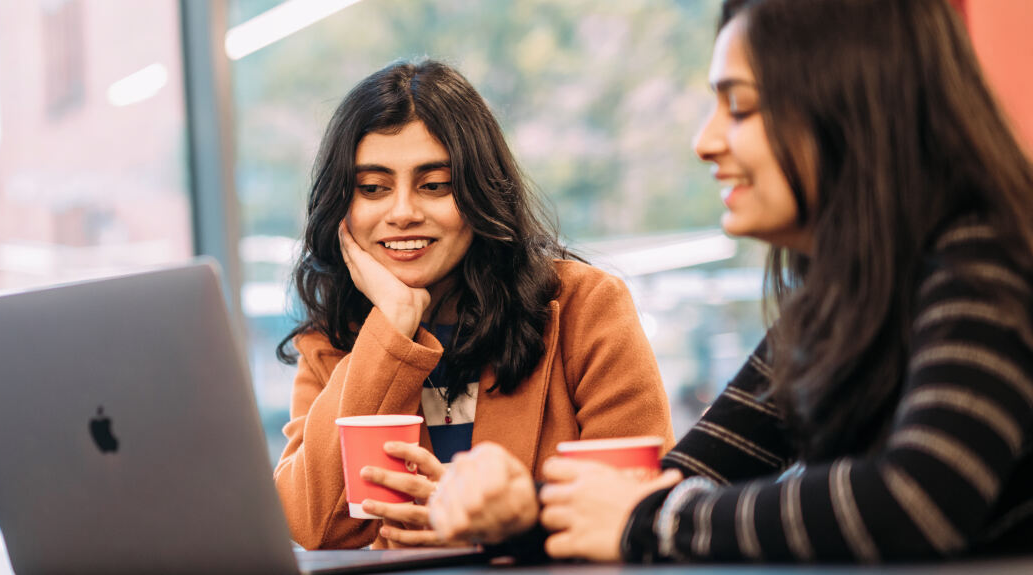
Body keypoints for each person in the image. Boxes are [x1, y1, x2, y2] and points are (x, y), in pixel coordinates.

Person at [428, 0, 1033, 563]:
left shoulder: (987, 258)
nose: (705, 141)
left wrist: (652, 520)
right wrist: (522, 513)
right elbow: (689, 477)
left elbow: (920, 498)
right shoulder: (836, 300)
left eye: (738, 107)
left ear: (848, 105)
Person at [272, 59, 675, 551]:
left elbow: (636, 508)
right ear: (342, 207)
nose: (402, 213)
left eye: (434, 185)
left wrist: (493, 523)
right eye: (373, 189)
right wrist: (392, 329)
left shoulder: (585, 308)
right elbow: (312, 526)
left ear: (480, 192)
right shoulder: (331, 338)